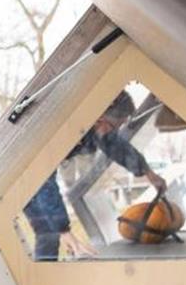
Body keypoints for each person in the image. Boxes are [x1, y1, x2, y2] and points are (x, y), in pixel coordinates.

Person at [22, 91, 166, 260]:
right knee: (47, 232)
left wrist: (149, 173)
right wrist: (65, 232)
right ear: (99, 117)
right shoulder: (58, 128)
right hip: (24, 173)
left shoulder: (95, 125)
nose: (112, 131)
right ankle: (43, 277)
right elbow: (42, 181)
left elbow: (115, 145)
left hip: (39, 177)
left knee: (50, 231)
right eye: (113, 126)